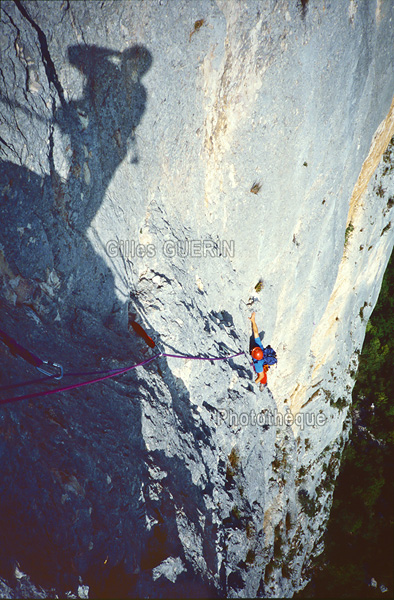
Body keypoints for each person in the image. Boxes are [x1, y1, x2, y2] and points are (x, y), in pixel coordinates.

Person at [249, 311, 269, 388]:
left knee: (263, 380)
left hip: (262, 367)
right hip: (263, 362)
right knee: (263, 377)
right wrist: (253, 321)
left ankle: (262, 385)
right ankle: (263, 384)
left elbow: (261, 376)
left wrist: (253, 384)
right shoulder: (259, 346)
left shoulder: (257, 364)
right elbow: (256, 332)